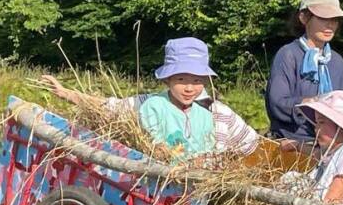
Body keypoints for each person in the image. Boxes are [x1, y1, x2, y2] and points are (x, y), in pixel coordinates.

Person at [40, 37, 260, 157]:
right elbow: (109, 106)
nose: (189, 88)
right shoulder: (152, 104)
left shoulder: (215, 113)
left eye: (196, 80)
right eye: (181, 79)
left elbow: (251, 143)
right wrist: (65, 93)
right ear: (167, 80)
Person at [265, 0, 343, 145]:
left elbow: (342, 103)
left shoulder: (336, 61)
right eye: (323, 18)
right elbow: (277, 103)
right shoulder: (288, 54)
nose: (330, 24)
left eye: (335, 19)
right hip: (293, 143)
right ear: (303, 18)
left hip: (330, 144)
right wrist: (311, 103)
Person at [297, 90, 343, 202]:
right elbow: (316, 153)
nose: (316, 128)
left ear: (341, 127)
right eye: (316, 123)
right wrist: (296, 146)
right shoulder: (335, 150)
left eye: (321, 122)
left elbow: (332, 200)